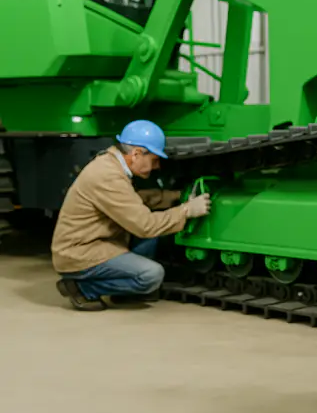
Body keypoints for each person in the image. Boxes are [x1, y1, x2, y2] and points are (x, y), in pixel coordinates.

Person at [51, 120, 211, 311]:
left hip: (98, 241)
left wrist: (176, 196)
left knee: (152, 236)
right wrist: (186, 210)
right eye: (154, 160)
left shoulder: (113, 165)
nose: (157, 166)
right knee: (151, 275)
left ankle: (124, 291)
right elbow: (145, 225)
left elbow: (134, 201)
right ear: (136, 154)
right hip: (81, 252)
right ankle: (83, 287)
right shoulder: (108, 176)